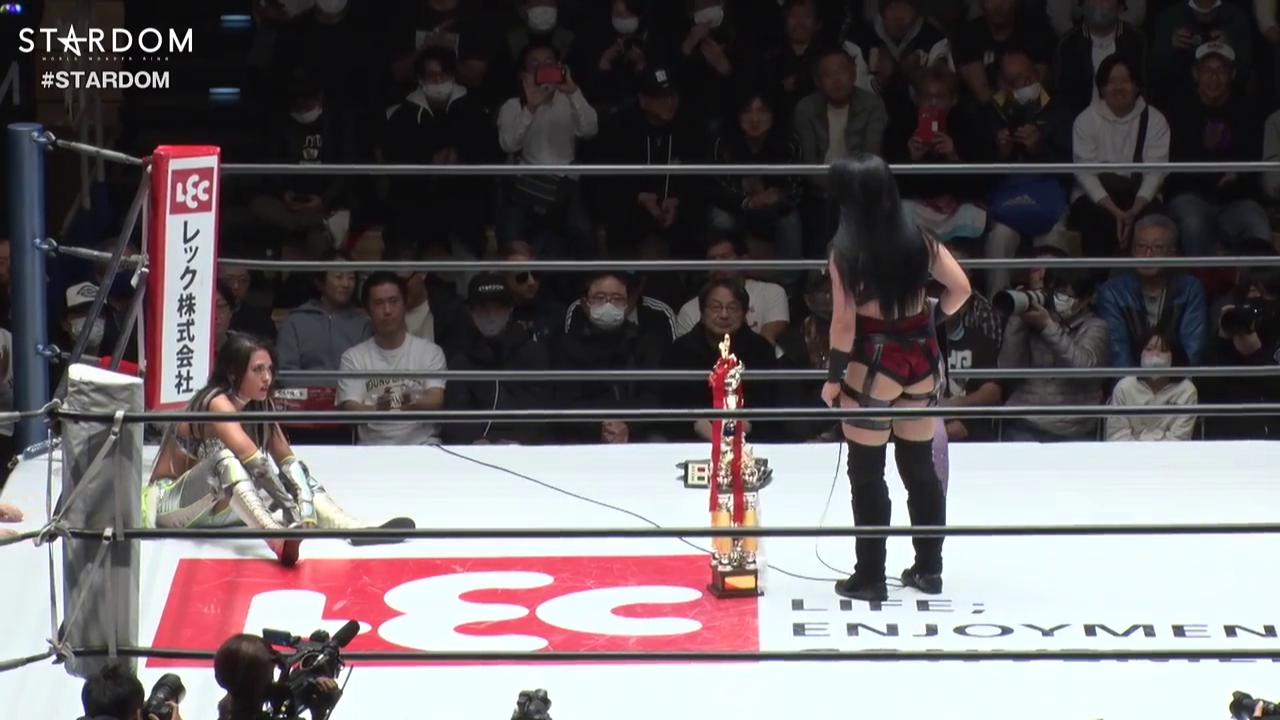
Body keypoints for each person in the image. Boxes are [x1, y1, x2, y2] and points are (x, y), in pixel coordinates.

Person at [820, 154, 972, 603]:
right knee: (919, 467)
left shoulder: (846, 250)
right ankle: (929, 569)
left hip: (874, 362)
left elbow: (843, 324)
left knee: (867, 472)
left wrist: (833, 378)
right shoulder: (919, 238)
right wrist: (930, 320)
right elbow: (961, 288)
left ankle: (870, 576)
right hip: (921, 360)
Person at [144, 332, 401, 566]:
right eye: (257, 370)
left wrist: (306, 509)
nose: (267, 377)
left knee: (298, 475)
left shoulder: (260, 405)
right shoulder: (216, 402)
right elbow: (254, 461)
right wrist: (291, 507)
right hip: (175, 505)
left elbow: (287, 460)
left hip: (220, 508)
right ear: (233, 373)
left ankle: (353, 527)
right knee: (226, 460)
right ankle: (276, 537)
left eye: (269, 369)